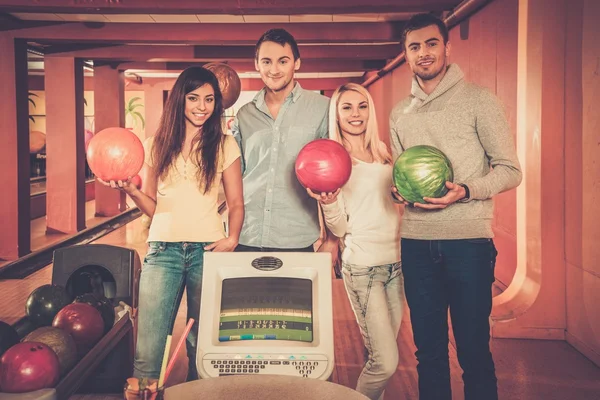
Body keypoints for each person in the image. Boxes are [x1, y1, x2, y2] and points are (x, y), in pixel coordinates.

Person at [389, 13, 523, 400]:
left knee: (473, 352)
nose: (423, 53)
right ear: (406, 55)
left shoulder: (479, 100)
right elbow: (400, 177)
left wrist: (464, 190)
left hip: (468, 244)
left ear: (447, 47)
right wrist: (400, 193)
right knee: (428, 353)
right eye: (414, 47)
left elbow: (511, 171)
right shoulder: (401, 113)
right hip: (415, 243)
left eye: (431, 44)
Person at [98, 66, 243, 381]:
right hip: (163, 251)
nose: (202, 106)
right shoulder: (155, 145)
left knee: (202, 350)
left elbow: (236, 203)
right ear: (181, 99)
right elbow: (152, 206)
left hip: (209, 253)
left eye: (209, 99)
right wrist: (133, 191)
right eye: (194, 98)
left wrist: (232, 238)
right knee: (148, 353)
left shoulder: (225, 144)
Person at [308, 83, 403, 400]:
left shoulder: (384, 152)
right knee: (386, 363)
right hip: (363, 268)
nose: (355, 114)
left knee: (379, 356)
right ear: (336, 112)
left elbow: (391, 206)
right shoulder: (334, 159)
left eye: (362, 106)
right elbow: (339, 227)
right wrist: (329, 202)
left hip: (397, 265)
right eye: (346, 107)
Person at [231, 28, 338, 259]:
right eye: (266, 61)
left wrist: (332, 239)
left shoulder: (322, 108)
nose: (274, 69)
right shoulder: (244, 114)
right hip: (246, 235)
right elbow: (235, 175)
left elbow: (334, 176)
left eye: (283, 61)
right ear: (257, 64)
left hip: (296, 237)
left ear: (296, 63)